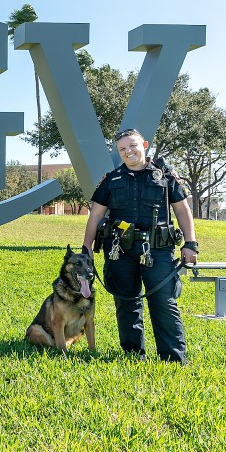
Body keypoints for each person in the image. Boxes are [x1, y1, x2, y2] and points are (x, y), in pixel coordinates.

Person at [83, 128, 198, 364]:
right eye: (122, 149)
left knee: (163, 302)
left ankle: (174, 359)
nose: (128, 152)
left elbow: (183, 210)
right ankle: (133, 355)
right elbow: (95, 216)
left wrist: (191, 243)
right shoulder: (111, 179)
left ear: (144, 144)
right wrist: (86, 250)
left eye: (132, 146)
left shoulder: (165, 177)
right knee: (126, 302)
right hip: (119, 250)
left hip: (158, 249)